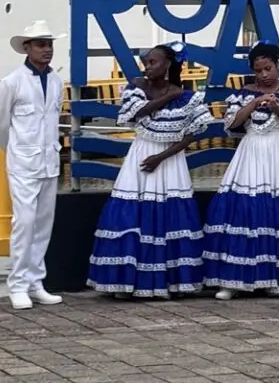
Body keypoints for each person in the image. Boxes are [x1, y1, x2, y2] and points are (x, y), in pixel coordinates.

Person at [202, 43, 279, 298]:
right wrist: (256, 102)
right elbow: (232, 124)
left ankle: (275, 279)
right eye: (258, 70)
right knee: (243, 211)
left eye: (268, 68)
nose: (264, 75)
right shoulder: (244, 94)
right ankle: (234, 281)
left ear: (278, 65)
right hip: (250, 154)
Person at [88, 43, 210, 298]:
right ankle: (127, 281)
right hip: (142, 153)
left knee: (169, 217)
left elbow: (190, 137)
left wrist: (161, 157)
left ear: (168, 64)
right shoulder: (138, 87)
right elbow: (135, 114)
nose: (148, 67)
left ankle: (169, 281)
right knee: (132, 214)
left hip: (169, 160)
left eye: (153, 62)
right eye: (147, 63)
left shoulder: (189, 97)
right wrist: (167, 97)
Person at [0, 21, 64, 310]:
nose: (47, 50)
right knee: (25, 222)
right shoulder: (12, 82)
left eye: (49, 45)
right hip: (23, 162)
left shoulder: (56, 81)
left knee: (43, 224)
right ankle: (17, 284)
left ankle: (35, 281)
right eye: (41, 45)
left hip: (49, 161)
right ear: (27, 48)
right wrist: (16, 149)